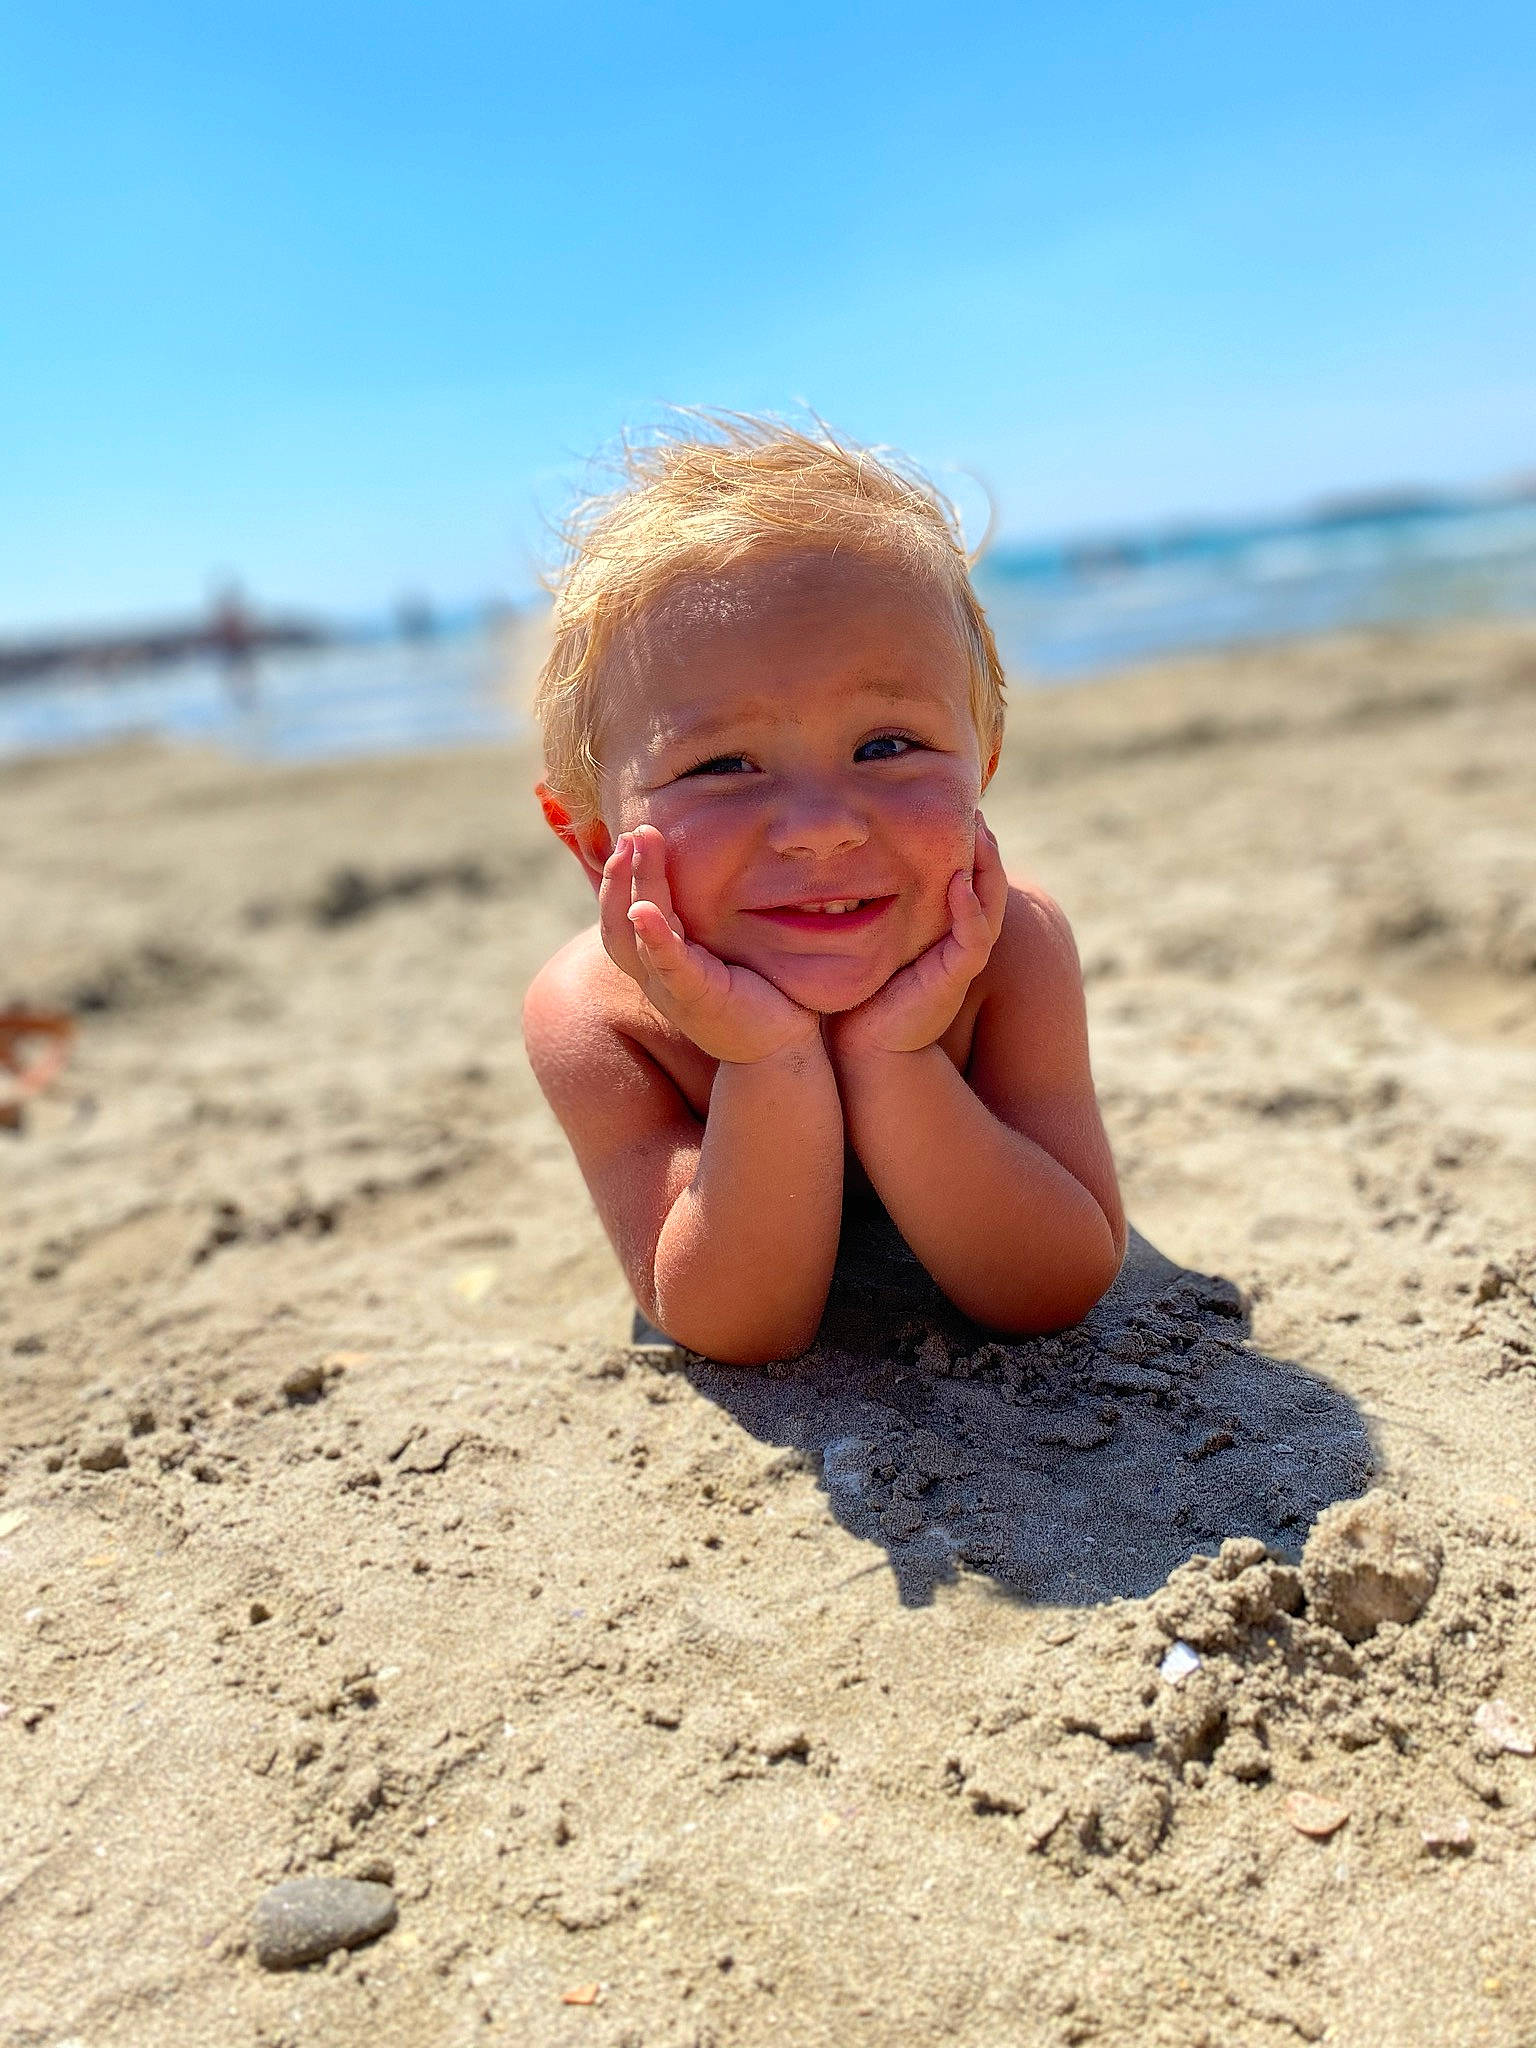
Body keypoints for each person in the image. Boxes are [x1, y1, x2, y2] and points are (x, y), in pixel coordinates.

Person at [523, 416, 1125, 1366]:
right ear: (596, 845)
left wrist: (894, 1057)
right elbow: (739, 1325)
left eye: (886, 746)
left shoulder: (1012, 948)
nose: (820, 826)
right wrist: (768, 1062)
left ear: (982, 771)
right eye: (723, 764)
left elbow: (1056, 1282)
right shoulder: (599, 1019)